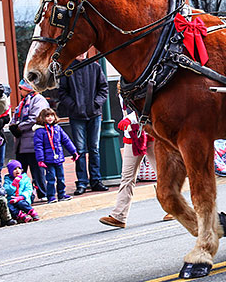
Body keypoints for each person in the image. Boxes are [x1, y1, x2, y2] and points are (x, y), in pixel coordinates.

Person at [99, 99, 173, 228]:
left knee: (162, 174)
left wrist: (130, 119)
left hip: (150, 134)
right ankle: (119, 216)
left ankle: (173, 209)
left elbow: (146, 107)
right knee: (127, 177)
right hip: (132, 136)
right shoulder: (123, 90)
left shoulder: (141, 83)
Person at [57, 54, 109, 195]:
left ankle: (96, 180)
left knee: (94, 149)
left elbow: (103, 88)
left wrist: (95, 104)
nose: (80, 54)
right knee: (79, 151)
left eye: (83, 52)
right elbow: (62, 92)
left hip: (94, 114)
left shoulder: (95, 67)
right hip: (76, 115)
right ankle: (82, 182)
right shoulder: (68, 69)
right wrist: (74, 106)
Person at [8, 79, 50, 200]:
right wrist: (13, 125)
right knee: (21, 170)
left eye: (20, 88)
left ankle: (43, 192)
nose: (19, 91)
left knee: (37, 169)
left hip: (32, 142)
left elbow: (35, 118)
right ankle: (21, 194)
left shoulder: (38, 100)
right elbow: (16, 116)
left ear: (26, 88)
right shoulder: (23, 102)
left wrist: (19, 127)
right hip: (21, 143)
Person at [33, 108, 79, 203]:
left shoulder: (57, 128)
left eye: (52, 115)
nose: (50, 118)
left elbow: (66, 140)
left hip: (58, 158)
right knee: (51, 179)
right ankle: (51, 196)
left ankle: (61, 194)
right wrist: (40, 159)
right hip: (48, 160)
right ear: (42, 118)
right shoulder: (40, 131)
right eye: (47, 116)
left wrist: (73, 151)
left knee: (61, 178)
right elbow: (38, 146)